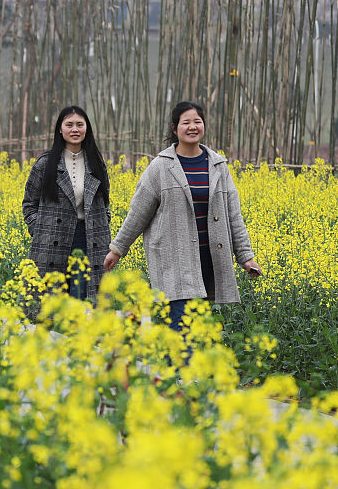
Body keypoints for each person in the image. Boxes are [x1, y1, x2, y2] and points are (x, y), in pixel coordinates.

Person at [104, 101, 262, 332]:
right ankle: (177, 368)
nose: (192, 127)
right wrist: (117, 249)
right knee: (181, 332)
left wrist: (246, 257)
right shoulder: (160, 167)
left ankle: (179, 368)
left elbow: (233, 215)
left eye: (197, 121)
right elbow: (138, 213)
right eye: (185, 122)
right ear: (174, 128)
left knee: (198, 333)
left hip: (208, 261)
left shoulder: (218, 166)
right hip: (175, 263)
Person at [22, 105, 112, 315]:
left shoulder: (97, 164)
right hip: (52, 240)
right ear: (60, 129)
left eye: (80, 125)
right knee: (51, 304)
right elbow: (28, 204)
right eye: (69, 124)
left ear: (87, 129)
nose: (75, 129)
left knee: (81, 299)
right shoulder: (45, 164)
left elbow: (105, 204)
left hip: (88, 239)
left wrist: (103, 224)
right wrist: (40, 231)